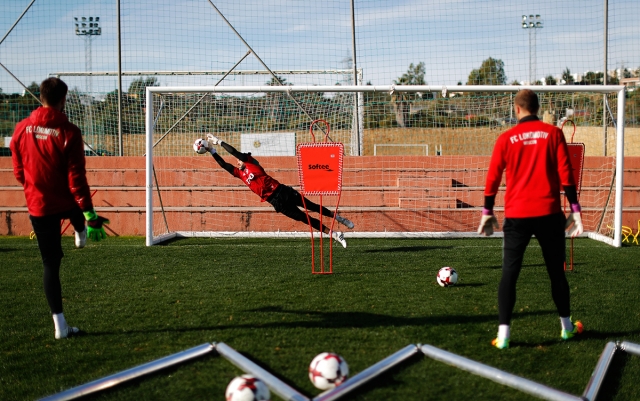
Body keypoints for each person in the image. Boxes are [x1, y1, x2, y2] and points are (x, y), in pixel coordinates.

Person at [477, 89, 584, 349]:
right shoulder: (554, 134)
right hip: (549, 214)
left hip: (517, 216)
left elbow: (492, 177)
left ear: (517, 109)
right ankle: (567, 328)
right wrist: (576, 209)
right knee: (556, 274)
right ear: (537, 108)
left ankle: (503, 336)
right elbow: (566, 173)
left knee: (509, 274)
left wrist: (487, 211)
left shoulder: (506, 138)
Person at [10, 77, 110, 339]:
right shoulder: (69, 132)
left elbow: (18, 170)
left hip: (38, 205)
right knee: (75, 210)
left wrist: (32, 186)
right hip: (63, 200)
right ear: (63, 99)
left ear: (40, 97)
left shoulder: (21, 129)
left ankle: (60, 327)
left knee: (50, 265)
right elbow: (76, 177)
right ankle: (81, 232)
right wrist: (90, 213)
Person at [195, 134, 354, 248]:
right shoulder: (240, 174)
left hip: (281, 191)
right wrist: (212, 151)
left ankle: (338, 218)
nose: (237, 161)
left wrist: (220, 142)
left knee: (311, 206)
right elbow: (224, 165)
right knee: (304, 218)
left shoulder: (251, 163)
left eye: (240, 159)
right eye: (237, 161)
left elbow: (235, 152)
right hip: (275, 202)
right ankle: (334, 235)